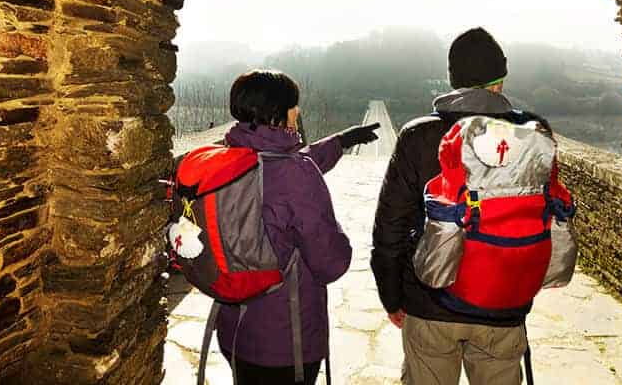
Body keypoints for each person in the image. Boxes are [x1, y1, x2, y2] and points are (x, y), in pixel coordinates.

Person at [371, 28, 529, 385]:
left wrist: (392, 297)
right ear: (498, 83)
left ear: (452, 79)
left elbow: (389, 230)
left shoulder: (417, 136)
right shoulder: (528, 137)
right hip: (501, 306)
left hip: (430, 302)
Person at [217, 69, 379, 385]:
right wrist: (335, 225)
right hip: (283, 344)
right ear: (278, 113)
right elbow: (331, 264)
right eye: (294, 105)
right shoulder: (296, 175)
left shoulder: (229, 158)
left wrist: (341, 141)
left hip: (235, 330)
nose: (298, 111)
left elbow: (283, 167)